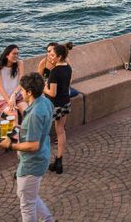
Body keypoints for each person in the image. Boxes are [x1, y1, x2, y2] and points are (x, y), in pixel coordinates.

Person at [0, 73, 53, 222]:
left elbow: (33, 145)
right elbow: (39, 129)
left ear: (29, 92)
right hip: (43, 155)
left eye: (22, 90)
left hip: (32, 163)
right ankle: (48, 220)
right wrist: (20, 127)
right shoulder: (45, 102)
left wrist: (10, 145)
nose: (21, 93)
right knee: (30, 196)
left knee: (27, 204)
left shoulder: (34, 114)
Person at [43, 42, 73, 174]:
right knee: (61, 132)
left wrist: (44, 87)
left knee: (45, 131)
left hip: (55, 105)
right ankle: (59, 161)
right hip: (66, 102)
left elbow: (52, 93)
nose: (50, 56)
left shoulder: (54, 71)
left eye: (53, 54)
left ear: (59, 57)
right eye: (49, 53)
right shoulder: (68, 67)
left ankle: (40, 160)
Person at [0, 44, 28, 119]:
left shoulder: (19, 63)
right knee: (14, 115)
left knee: (27, 112)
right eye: (14, 53)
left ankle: (26, 130)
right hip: (3, 99)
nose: (16, 56)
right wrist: (9, 101)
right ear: (7, 55)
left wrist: (13, 95)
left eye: (17, 54)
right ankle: (17, 130)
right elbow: (0, 88)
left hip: (17, 96)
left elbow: (22, 82)